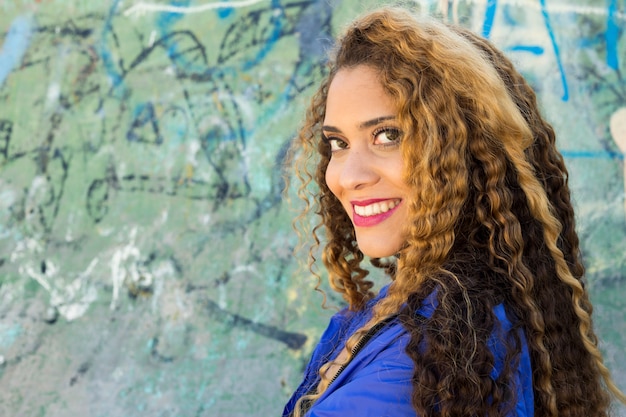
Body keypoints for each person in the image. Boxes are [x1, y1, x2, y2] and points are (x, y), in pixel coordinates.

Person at [282, 7, 626, 417]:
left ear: (467, 152)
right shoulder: (440, 310)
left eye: (387, 136)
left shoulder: (431, 353)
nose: (348, 176)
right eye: (338, 143)